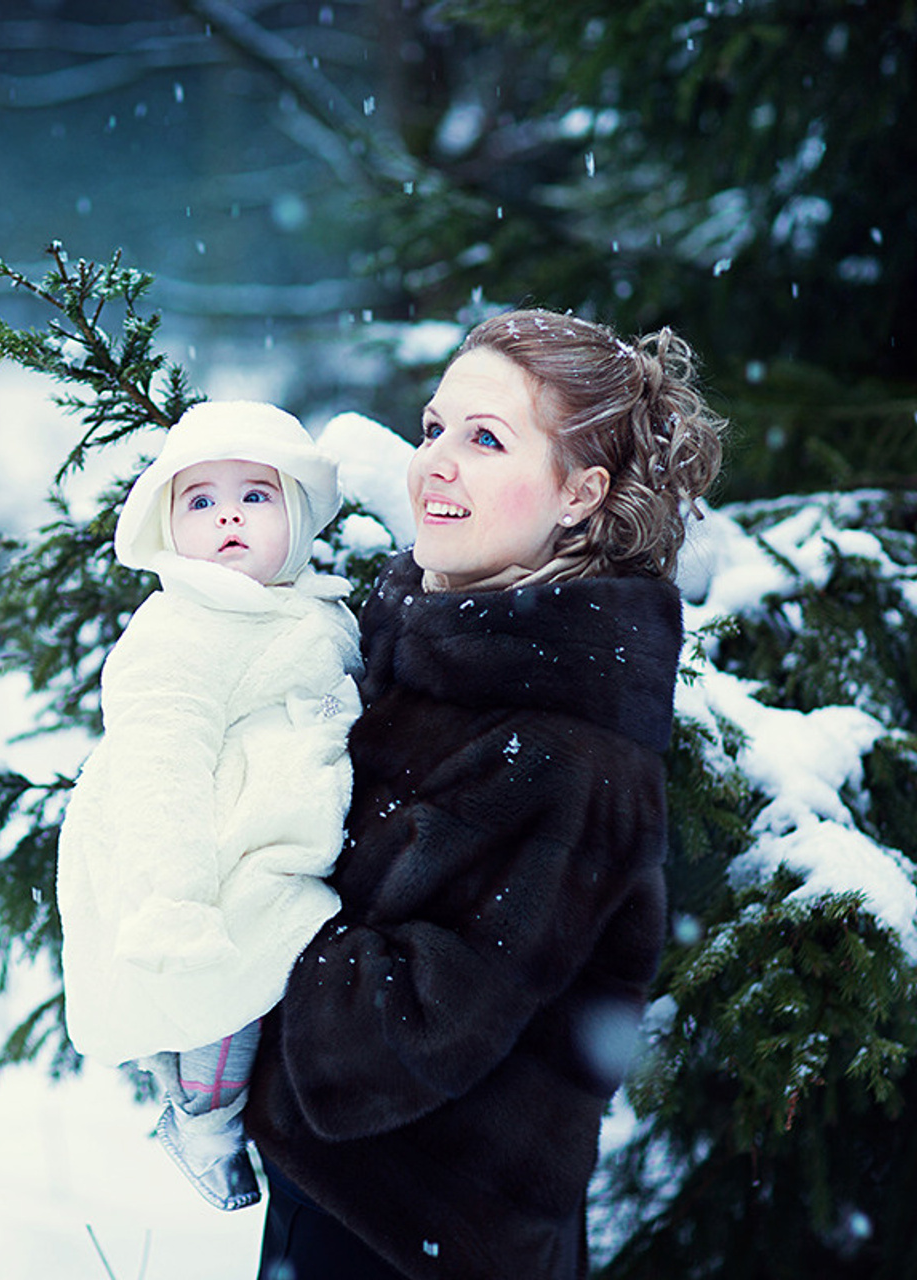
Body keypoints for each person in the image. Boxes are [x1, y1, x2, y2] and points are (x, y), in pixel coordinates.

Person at [245, 308, 727, 1278]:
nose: (436, 463)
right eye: (434, 429)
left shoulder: (563, 749)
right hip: (347, 1203)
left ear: (579, 495)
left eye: (485, 439)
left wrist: (241, 913)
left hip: (419, 1241)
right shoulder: (430, 651)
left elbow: (401, 1033)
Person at [54, 399, 362, 1212]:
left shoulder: (316, 610)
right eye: (200, 500)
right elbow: (160, 772)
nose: (229, 514)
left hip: (275, 839)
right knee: (223, 990)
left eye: (256, 495)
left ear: (298, 516)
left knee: (268, 979)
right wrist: (174, 903)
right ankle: (205, 1119)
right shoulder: (177, 632)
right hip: (203, 856)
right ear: (168, 526)